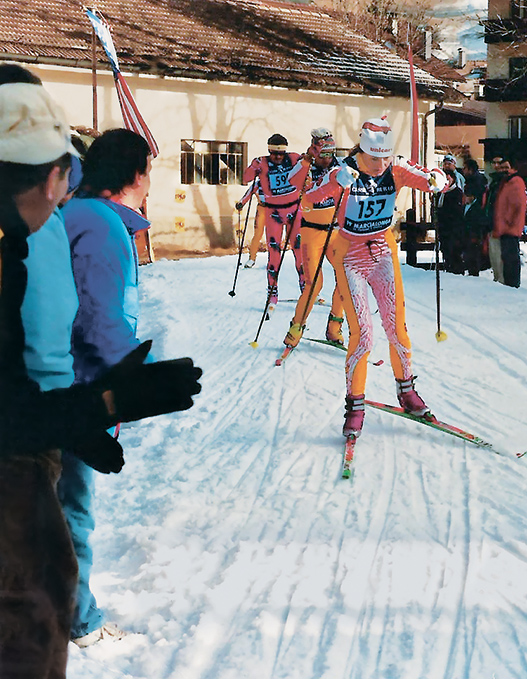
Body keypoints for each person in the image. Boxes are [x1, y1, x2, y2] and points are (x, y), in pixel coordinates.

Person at [0, 74, 201, 678]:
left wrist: (81, 412)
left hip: (47, 411)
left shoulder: (22, 241)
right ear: (54, 174)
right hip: (28, 449)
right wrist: (102, 402)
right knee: (41, 580)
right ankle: (81, 617)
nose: (66, 191)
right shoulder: (35, 240)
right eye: (63, 173)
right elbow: (85, 323)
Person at [59, 128, 166, 646]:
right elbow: (104, 318)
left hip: (46, 381)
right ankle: (78, 620)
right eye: (150, 172)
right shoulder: (103, 228)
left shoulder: (72, 214)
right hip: (73, 388)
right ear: (136, 175)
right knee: (69, 510)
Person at [310, 116, 445, 437]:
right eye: (374, 158)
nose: (380, 165)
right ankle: (354, 406)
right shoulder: (344, 170)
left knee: (397, 327)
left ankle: (407, 391)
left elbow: (432, 179)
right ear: (361, 151)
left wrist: (439, 179)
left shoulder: (395, 168)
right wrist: (334, 184)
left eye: (385, 157)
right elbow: (307, 201)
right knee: (364, 336)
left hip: (382, 253)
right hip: (350, 256)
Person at [283, 135, 348, 350]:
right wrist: (307, 161)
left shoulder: (340, 167)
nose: (328, 159)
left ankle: (334, 328)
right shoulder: (304, 166)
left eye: (331, 154)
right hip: (312, 232)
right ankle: (295, 329)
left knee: (345, 277)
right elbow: (292, 181)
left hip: (336, 231)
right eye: (323, 155)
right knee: (314, 284)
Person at [242, 133, 308, 306]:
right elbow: (246, 178)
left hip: (294, 209)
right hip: (274, 213)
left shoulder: (293, 158)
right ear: (268, 151)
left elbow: (310, 163)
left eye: (281, 154)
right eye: (274, 153)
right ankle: (272, 291)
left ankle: (306, 288)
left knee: (299, 250)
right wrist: (253, 167)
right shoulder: (262, 162)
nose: (278, 157)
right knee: (274, 253)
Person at [490, 157, 526, 289]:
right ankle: (508, 283)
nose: (504, 170)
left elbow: (515, 205)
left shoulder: (514, 182)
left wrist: (508, 222)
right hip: (504, 226)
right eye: (502, 167)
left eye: (507, 167)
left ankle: (512, 284)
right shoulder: (504, 182)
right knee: (505, 257)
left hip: (510, 227)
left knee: (510, 257)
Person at [435, 154, 466, 274]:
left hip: (454, 225)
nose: (447, 166)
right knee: (445, 248)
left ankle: (456, 269)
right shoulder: (441, 188)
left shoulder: (458, 179)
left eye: (449, 163)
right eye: (445, 164)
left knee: (454, 248)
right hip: (444, 225)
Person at [484, 156, 507, 285]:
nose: (497, 166)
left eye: (500, 163)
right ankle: (497, 277)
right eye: (495, 163)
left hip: (500, 222)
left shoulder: (502, 182)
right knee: (493, 253)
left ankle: (501, 280)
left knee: (499, 254)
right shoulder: (493, 181)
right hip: (491, 221)